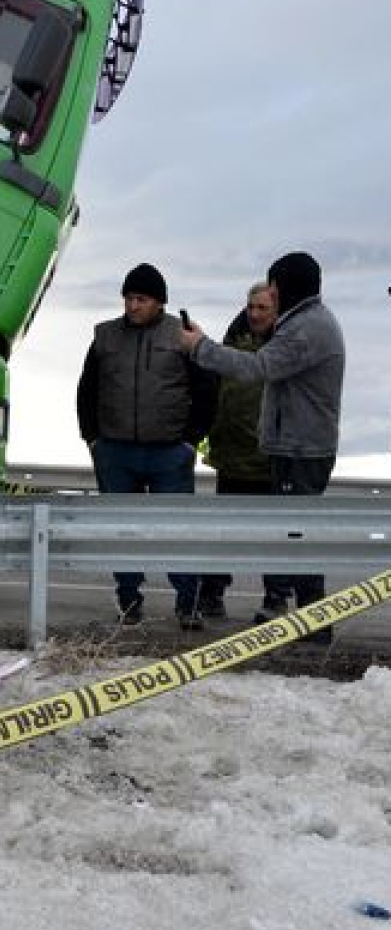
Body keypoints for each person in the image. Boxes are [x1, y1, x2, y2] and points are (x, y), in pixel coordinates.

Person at [180, 251, 345, 642]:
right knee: (293, 536)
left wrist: (200, 347)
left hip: (302, 450)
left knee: (298, 539)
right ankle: (310, 624)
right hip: (295, 446)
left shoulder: (304, 328)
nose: (270, 292)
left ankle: (316, 629)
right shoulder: (306, 321)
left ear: (287, 285)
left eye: (273, 285)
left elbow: (258, 367)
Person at [77, 262, 217, 628]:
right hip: (116, 452)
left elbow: (207, 389)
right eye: (128, 298)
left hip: (169, 451)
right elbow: (86, 390)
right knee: (122, 530)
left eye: (140, 299)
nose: (132, 306)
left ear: (159, 302)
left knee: (176, 529)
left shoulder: (181, 335)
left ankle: (188, 603)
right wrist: (93, 438)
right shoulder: (105, 337)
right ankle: (128, 601)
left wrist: (191, 439)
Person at [195, 281, 290, 620]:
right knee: (223, 533)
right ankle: (212, 594)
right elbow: (215, 386)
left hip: (269, 459)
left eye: (263, 307)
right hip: (232, 455)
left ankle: (276, 598)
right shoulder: (234, 337)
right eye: (251, 306)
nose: (255, 313)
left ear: (277, 310)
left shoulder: (284, 346)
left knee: (274, 534)